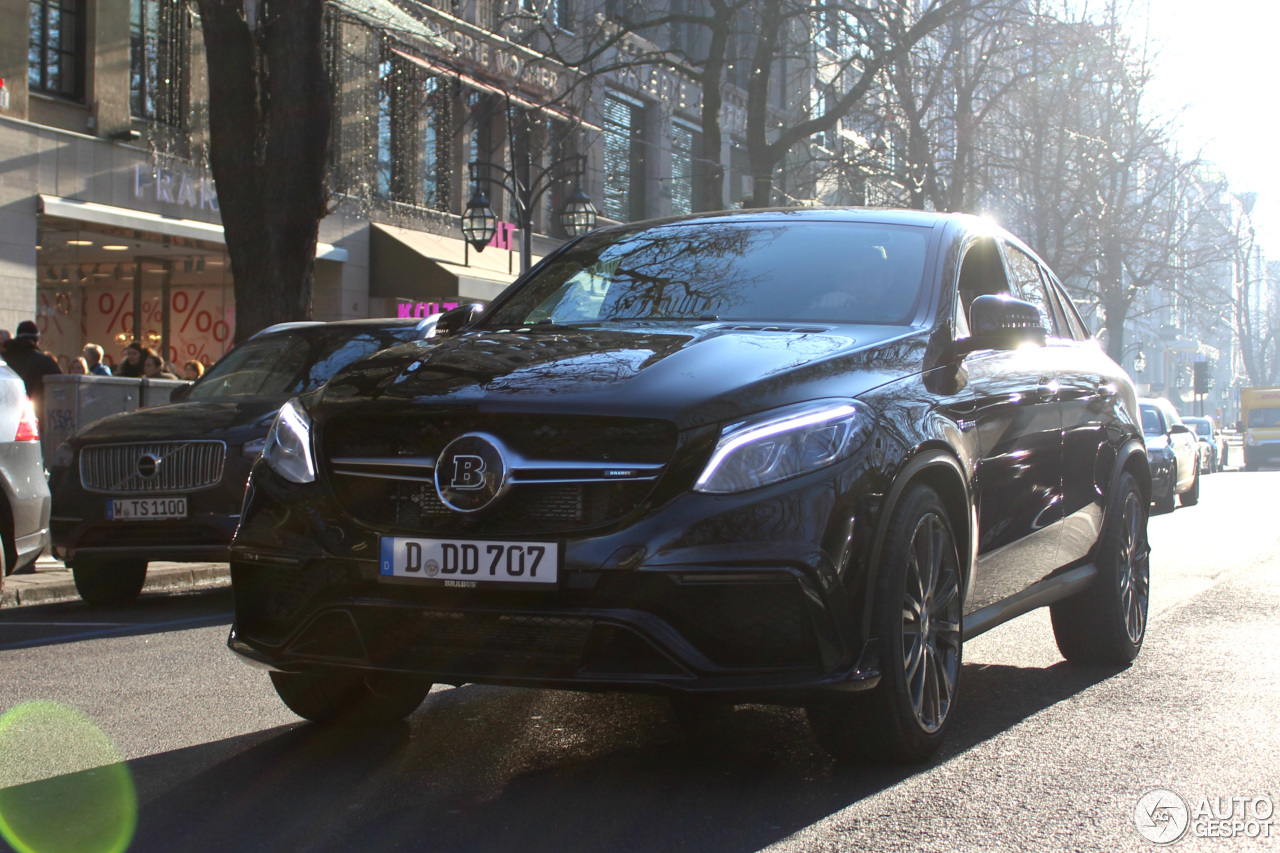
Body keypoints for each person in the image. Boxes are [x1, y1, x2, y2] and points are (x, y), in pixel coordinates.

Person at [0, 320, 62, 419]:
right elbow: (60, 391)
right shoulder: (45, 362)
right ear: (37, 339)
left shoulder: (4, 361)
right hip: (36, 419)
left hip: (5, 420)